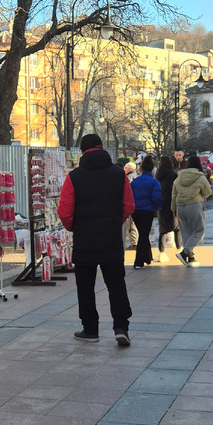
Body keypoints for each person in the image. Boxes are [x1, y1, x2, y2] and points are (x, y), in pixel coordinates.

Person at [57, 132, 134, 346]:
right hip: (111, 239)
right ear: (102, 148)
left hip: (84, 241)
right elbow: (129, 205)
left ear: (82, 152)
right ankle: (121, 327)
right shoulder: (119, 174)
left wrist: (76, 227)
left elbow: (64, 211)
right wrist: (113, 222)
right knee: (116, 284)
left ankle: (90, 329)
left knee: (85, 286)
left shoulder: (74, 177)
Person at [172, 155, 212, 266]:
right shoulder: (200, 177)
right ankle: (185, 252)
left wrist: (174, 209)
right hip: (194, 205)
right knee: (199, 230)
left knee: (186, 232)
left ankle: (190, 257)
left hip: (180, 206)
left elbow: (174, 194)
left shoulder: (178, 177)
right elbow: (208, 192)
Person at [129, 154, 162, 269]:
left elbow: (130, 196)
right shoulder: (154, 182)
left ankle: (147, 257)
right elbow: (157, 198)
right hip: (147, 210)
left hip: (135, 210)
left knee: (143, 233)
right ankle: (138, 261)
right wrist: (155, 208)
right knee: (144, 235)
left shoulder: (135, 182)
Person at [155, 154, 181, 262]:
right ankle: (180, 249)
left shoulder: (157, 175)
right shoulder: (173, 175)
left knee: (162, 228)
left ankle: (161, 252)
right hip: (171, 202)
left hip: (161, 203)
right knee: (176, 227)